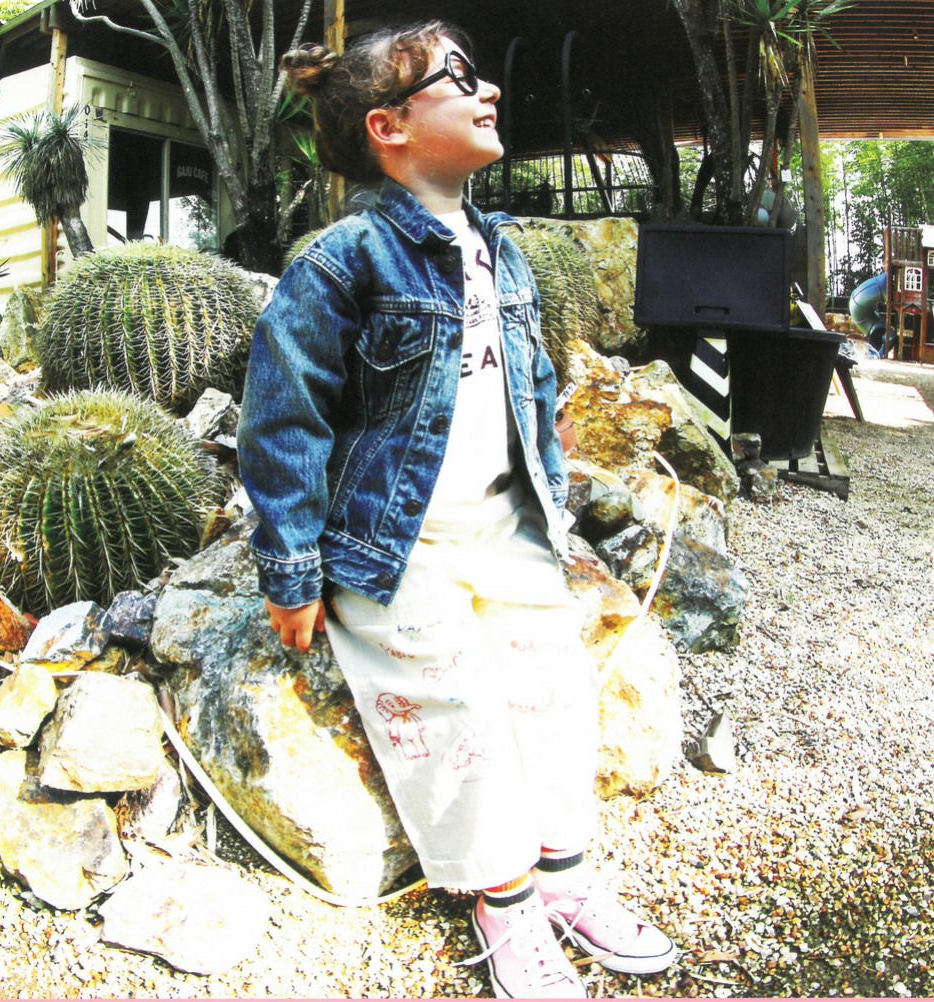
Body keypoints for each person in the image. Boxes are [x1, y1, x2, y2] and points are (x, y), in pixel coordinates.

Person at [236, 20, 676, 998]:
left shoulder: (503, 251)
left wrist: (554, 513)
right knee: (451, 705)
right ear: (390, 129)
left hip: (504, 528)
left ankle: (564, 876)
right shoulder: (342, 261)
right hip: (394, 545)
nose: (489, 93)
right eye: (460, 79)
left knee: (552, 686)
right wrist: (291, 569)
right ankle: (503, 903)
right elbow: (284, 416)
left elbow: (533, 387)